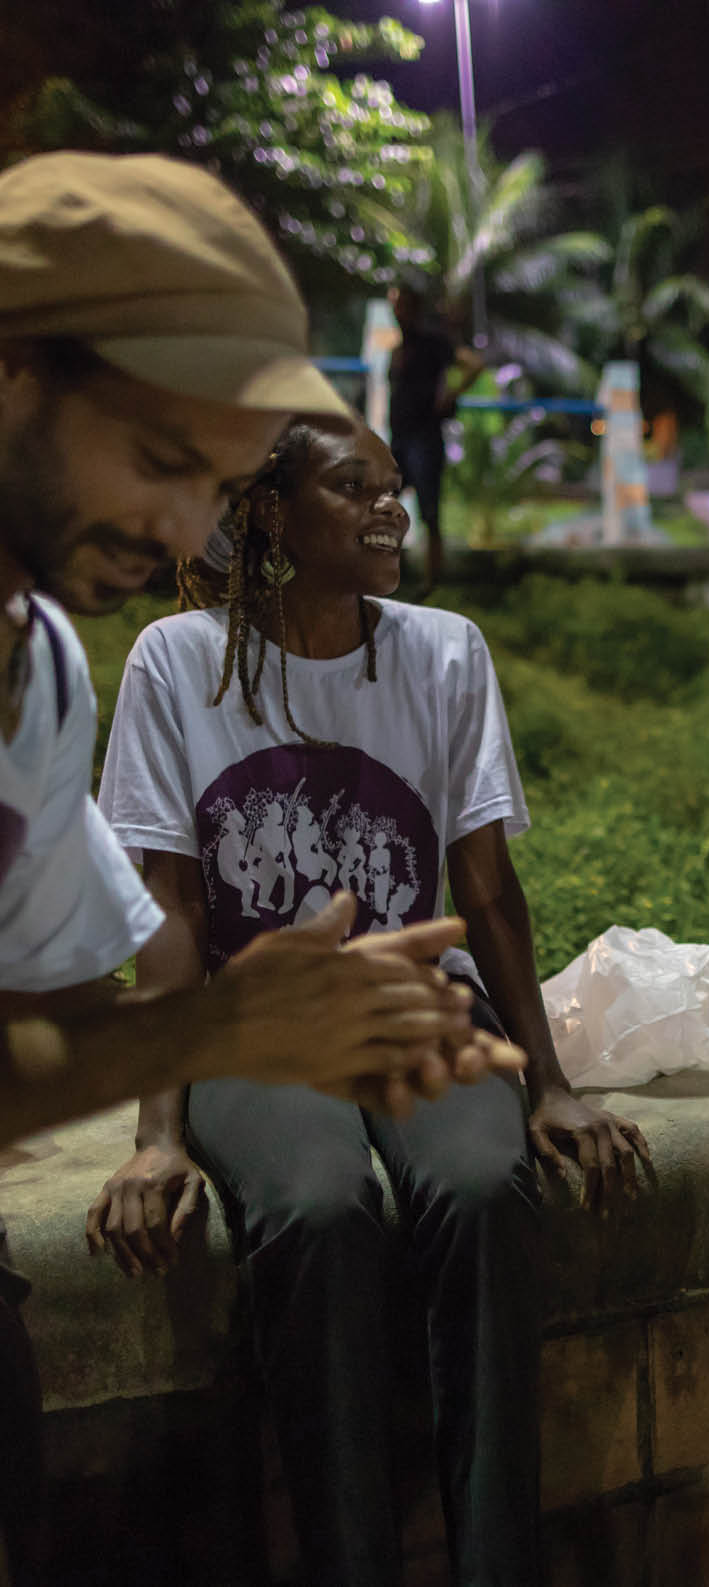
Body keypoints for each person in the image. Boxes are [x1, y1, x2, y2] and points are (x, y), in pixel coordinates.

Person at [0, 151, 504, 1583]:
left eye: (212, 487)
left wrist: (223, 1025)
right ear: (13, 367)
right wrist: (212, 1049)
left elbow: (31, 1038)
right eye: (162, 461)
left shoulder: (39, 676)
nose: (181, 533)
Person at [85, 414, 650, 1585]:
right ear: (273, 513)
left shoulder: (444, 653)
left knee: (484, 1186)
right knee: (319, 1203)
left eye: (395, 487)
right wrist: (156, 1138)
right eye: (356, 488)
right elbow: (173, 911)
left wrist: (550, 1083)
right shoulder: (180, 663)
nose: (394, 508)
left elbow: (487, 891)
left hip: (414, 1010)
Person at [387, 283, 482, 595]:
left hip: (424, 438)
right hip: (400, 439)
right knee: (383, 507)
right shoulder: (401, 346)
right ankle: (389, 575)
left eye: (400, 304)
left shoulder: (433, 340)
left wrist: (452, 394)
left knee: (430, 512)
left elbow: (473, 364)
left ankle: (432, 583)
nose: (395, 310)